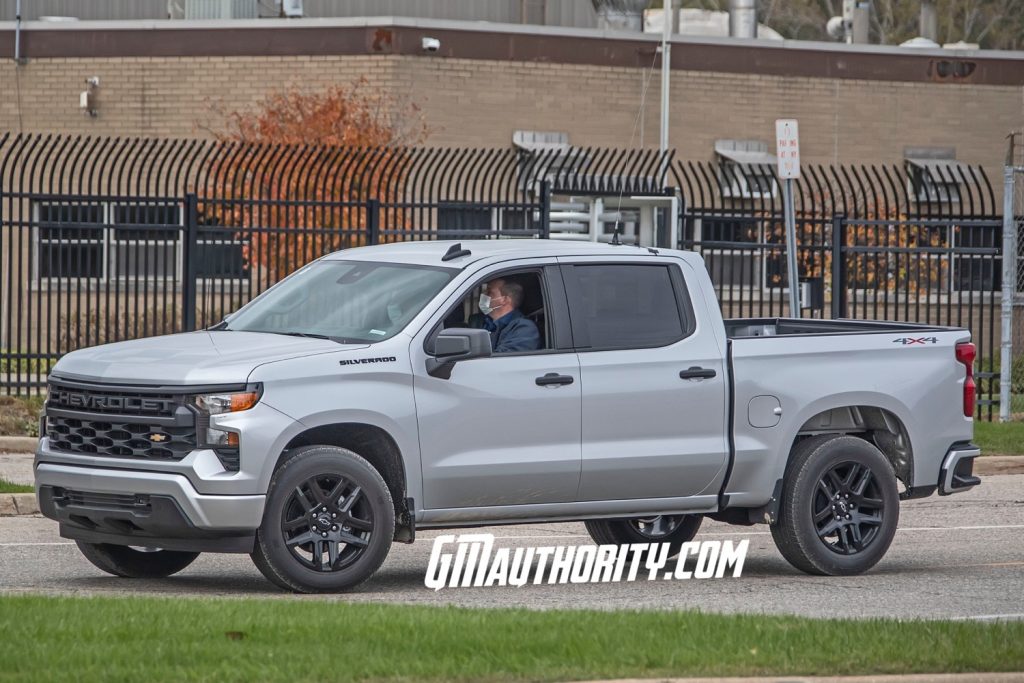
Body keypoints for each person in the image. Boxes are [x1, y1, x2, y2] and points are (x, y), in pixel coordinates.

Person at [474, 278, 540, 353]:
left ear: (505, 300)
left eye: (489, 292)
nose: (484, 296)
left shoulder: (524, 329)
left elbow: (501, 361)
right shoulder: (485, 322)